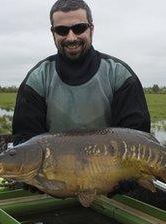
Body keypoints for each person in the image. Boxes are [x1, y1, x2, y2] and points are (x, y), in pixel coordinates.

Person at [12, 0, 150, 194]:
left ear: (91, 29)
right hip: (53, 188)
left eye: (79, 28)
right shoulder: (37, 79)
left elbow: (137, 134)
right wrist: (30, 175)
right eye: (61, 30)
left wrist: (130, 175)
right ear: (53, 33)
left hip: (112, 187)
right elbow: (24, 138)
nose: (71, 37)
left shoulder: (119, 74)